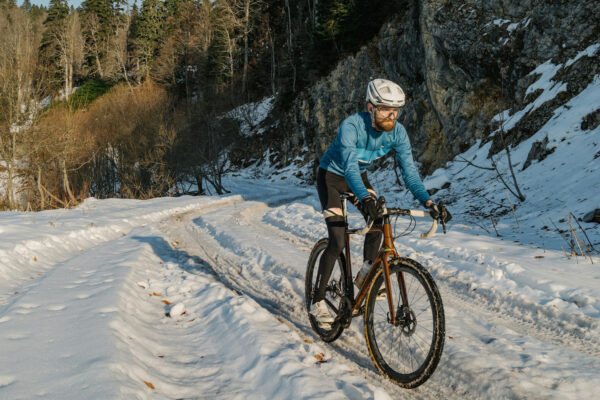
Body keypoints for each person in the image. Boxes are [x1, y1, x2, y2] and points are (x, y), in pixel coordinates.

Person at [310, 78, 451, 328]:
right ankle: (318, 300)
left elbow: (410, 172)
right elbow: (350, 167)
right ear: (371, 107)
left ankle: (365, 277)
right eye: (386, 108)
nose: (392, 115)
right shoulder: (352, 126)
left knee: (379, 218)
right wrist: (364, 198)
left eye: (396, 110)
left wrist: (428, 201)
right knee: (338, 240)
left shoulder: (397, 132)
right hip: (332, 177)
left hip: (358, 177)